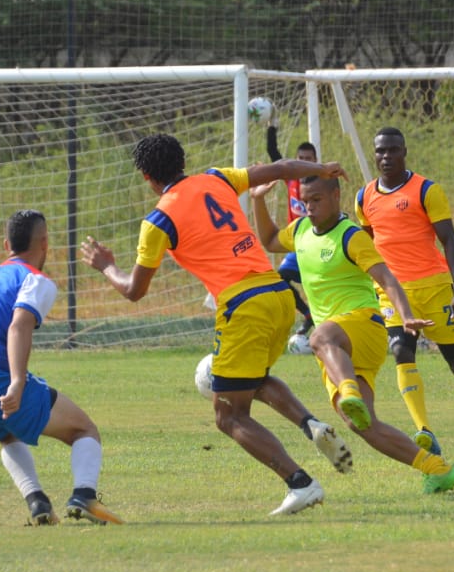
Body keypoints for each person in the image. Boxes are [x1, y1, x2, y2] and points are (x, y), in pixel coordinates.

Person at [78, 134, 354, 516]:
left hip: (243, 305)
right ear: (182, 161)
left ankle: (300, 483)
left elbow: (134, 291)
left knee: (229, 415)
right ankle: (311, 425)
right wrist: (320, 169)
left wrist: (106, 264)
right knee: (252, 381)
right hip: (278, 293)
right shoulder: (216, 177)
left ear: (146, 177)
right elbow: (279, 169)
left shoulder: (158, 220)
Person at [251, 174, 454, 494]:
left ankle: (348, 389)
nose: (309, 207)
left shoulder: (351, 236)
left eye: (317, 200)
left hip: (363, 325)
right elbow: (268, 240)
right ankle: (437, 469)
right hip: (337, 348)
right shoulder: (301, 230)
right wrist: (257, 199)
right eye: (304, 202)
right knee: (363, 424)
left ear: (336, 196)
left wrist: (405, 315)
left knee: (318, 338)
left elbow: (386, 277)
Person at [0, 209, 123, 526]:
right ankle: (84, 494)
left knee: (7, 431)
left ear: (6, 244)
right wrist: (17, 382)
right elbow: (19, 325)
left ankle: (38, 503)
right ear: (45, 243)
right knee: (83, 429)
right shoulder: (35, 280)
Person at [354, 126, 454, 452]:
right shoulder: (363, 197)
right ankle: (425, 432)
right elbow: (368, 245)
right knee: (401, 353)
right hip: (392, 292)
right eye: (380, 151)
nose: (386, 157)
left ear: (404, 151)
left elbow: (450, 241)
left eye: (393, 150)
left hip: (435, 289)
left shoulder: (426, 190)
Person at [265, 116, 316, 340]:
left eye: (308, 159)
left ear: (315, 160)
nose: (304, 162)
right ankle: (307, 315)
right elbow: (273, 152)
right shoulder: (291, 180)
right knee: (280, 279)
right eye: (300, 158)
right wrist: (271, 126)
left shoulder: (322, 182)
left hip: (316, 242)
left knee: (319, 285)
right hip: (296, 243)